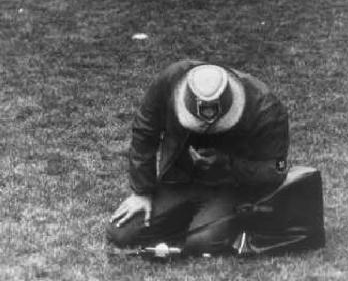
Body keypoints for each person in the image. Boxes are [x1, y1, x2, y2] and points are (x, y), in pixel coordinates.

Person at [106, 61, 289, 256]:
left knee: (202, 244)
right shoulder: (170, 82)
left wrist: (227, 165)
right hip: (180, 181)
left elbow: (273, 172)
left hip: (232, 188)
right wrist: (141, 192)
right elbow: (145, 131)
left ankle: (216, 223)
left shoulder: (265, 107)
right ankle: (197, 222)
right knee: (121, 232)